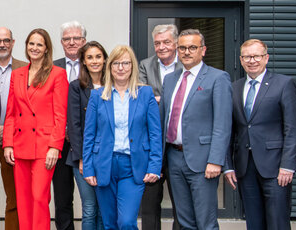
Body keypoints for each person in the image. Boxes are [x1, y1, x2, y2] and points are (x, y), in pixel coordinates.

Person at [223, 39, 296, 230]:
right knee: (253, 222)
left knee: (277, 222)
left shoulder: (284, 84)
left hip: (276, 168)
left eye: (256, 56)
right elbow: (228, 130)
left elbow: (293, 129)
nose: (252, 60)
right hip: (245, 167)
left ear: (266, 58)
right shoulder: (234, 88)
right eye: (247, 56)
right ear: (241, 60)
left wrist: (288, 166)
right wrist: (228, 166)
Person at [82, 45, 162, 229]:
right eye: (116, 63)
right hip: (104, 164)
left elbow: (155, 133)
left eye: (125, 63)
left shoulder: (145, 94)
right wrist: (88, 168)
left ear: (132, 66)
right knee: (109, 223)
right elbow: (89, 135)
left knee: (126, 222)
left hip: (133, 166)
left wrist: (155, 165)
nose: (121, 67)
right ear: (109, 67)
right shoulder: (97, 96)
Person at [160, 29, 232, 230]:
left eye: (192, 47)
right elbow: (163, 119)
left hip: (203, 160)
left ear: (203, 50)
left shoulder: (218, 78)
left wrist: (216, 160)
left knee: (206, 223)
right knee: (184, 222)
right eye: (182, 47)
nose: (186, 52)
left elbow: (223, 124)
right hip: (174, 158)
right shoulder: (170, 79)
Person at [3, 28, 69, 230]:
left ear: (47, 48)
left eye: (39, 44)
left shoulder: (58, 74)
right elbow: (11, 113)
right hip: (20, 145)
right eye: (31, 43)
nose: (34, 48)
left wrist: (55, 146)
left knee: (40, 198)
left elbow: (60, 114)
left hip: (44, 147)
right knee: (23, 200)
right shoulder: (18, 74)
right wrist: (8, 144)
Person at [138, 24, 182, 230]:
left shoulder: (186, 66)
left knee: (180, 203)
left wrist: (158, 99)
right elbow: (141, 99)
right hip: (151, 144)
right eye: (157, 43)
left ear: (176, 43)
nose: (161, 47)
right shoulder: (145, 66)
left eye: (166, 42)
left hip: (176, 146)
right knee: (149, 203)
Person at [0, 27, 27, 230]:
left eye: (6, 40)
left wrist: (8, 130)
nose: (2, 44)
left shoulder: (25, 68)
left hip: (15, 142)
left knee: (15, 197)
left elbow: (29, 107)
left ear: (13, 42)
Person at [66, 41, 107, 230]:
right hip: (83, 156)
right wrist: (82, 158)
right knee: (90, 208)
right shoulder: (76, 87)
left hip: (107, 156)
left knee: (104, 208)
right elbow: (74, 125)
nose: (95, 61)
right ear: (83, 61)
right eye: (90, 57)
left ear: (105, 59)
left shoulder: (113, 86)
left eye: (98, 56)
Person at [52, 21, 87, 230]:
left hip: (87, 142)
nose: (72, 42)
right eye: (67, 39)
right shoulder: (52, 67)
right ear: (61, 42)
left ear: (84, 41)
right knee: (62, 197)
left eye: (76, 38)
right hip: (60, 143)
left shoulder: (94, 64)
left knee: (91, 198)